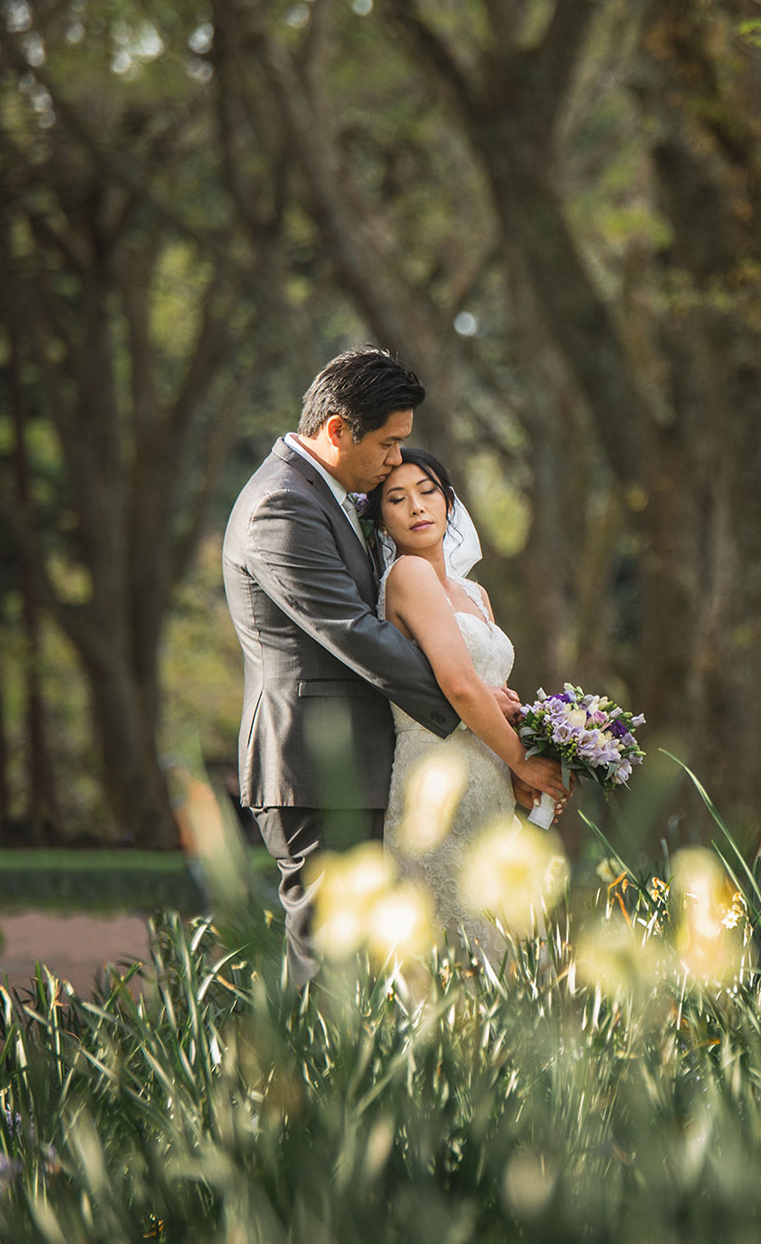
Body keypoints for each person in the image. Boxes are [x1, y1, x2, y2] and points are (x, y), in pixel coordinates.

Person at [220, 347, 564, 984]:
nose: (393, 463)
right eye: (387, 444)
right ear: (337, 431)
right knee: (329, 963)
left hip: (369, 762)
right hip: (316, 767)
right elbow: (359, 635)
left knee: (369, 970)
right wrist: (478, 704)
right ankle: (302, 1084)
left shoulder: (327, 496)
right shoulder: (281, 505)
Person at [371, 448, 568, 954]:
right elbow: (460, 685)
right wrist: (524, 763)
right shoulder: (407, 576)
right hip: (437, 776)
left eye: (428, 492)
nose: (416, 507)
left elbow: (488, 685)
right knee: (457, 946)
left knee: (503, 946)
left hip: (490, 779)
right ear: (383, 519)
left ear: (450, 503)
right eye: (397, 499)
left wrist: (515, 773)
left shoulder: (475, 595)